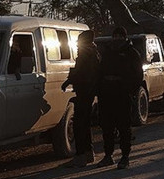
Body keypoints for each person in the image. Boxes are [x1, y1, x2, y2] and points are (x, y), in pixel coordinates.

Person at [96, 27, 143, 170]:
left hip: (122, 94)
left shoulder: (131, 53)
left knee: (124, 127)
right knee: (107, 127)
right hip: (106, 94)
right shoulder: (107, 52)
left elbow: (138, 75)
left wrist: (130, 90)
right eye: (115, 36)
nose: (117, 39)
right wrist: (99, 89)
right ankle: (108, 155)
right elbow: (100, 72)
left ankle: (125, 156)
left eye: (120, 36)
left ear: (124, 37)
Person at [61, 30, 99, 168]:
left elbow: (81, 73)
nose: (77, 44)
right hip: (88, 92)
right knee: (85, 124)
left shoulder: (85, 55)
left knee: (79, 124)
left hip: (84, 92)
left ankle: (81, 155)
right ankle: (88, 153)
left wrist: (69, 81)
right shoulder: (93, 54)